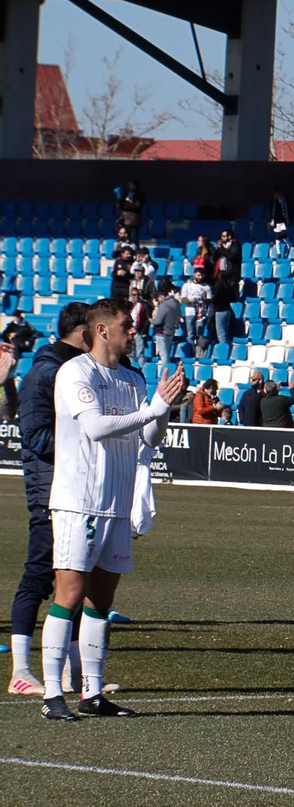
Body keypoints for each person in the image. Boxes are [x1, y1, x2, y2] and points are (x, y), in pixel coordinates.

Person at [38, 300, 187, 719]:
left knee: (101, 600)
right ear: (102, 330)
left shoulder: (132, 378)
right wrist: (151, 409)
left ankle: (92, 693)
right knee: (68, 596)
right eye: (126, 325)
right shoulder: (76, 372)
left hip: (116, 504)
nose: (133, 331)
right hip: (78, 501)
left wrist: (164, 405)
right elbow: (96, 427)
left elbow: (151, 437)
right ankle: (53, 695)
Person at [9, 304, 91, 695]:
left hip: (74, 488)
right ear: (80, 331)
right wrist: (89, 441)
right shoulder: (44, 374)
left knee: (74, 578)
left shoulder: (76, 370)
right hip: (49, 490)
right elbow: (36, 438)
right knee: (39, 574)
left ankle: (71, 674)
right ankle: (21, 671)